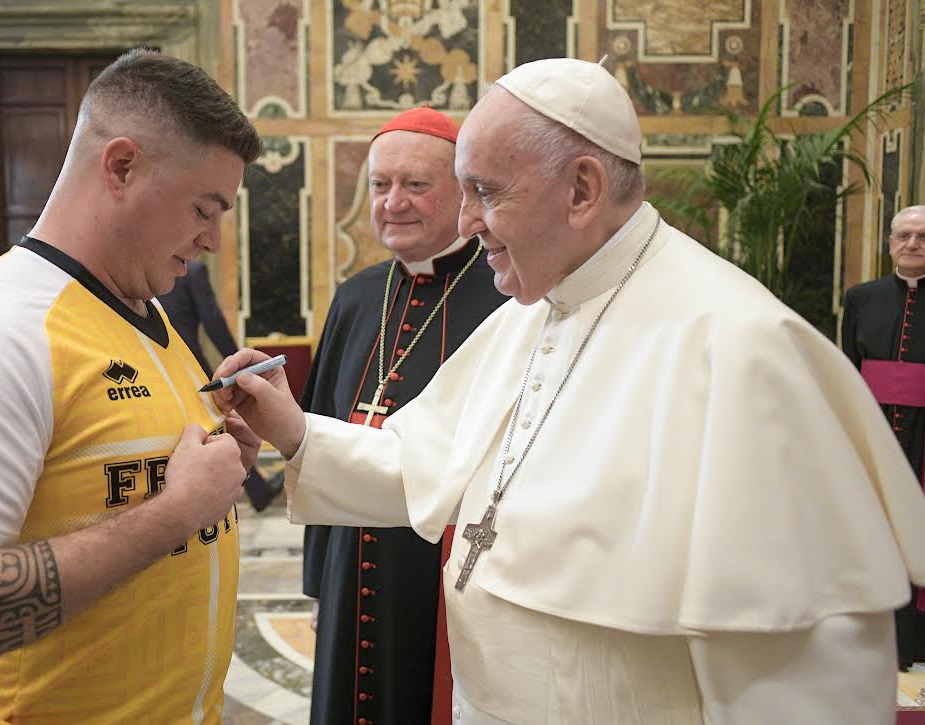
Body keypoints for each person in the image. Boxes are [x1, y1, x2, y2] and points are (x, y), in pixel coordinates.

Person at [215, 57, 925, 723]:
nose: (465, 223)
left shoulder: (740, 346)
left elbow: (803, 669)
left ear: (581, 190)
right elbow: (428, 460)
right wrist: (295, 430)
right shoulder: (533, 311)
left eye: (485, 192)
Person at [0, 48, 263, 723]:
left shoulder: (145, 309)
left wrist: (222, 453)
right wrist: (175, 512)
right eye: (203, 209)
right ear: (121, 167)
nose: (212, 239)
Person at [301, 107, 506, 725]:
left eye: (416, 185)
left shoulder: (505, 295)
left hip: (441, 579)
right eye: (380, 185)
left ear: (464, 191)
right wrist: (318, 584)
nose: (394, 203)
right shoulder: (356, 297)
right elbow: (316, 436)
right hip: (348, 572)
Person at [842, 204, 925, 671]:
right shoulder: (861, 297)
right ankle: (873, 638)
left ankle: (916, 642)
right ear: (889, 242)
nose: (913, 244)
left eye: (923, 237)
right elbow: (849, 368)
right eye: (904, 235)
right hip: (873, 430)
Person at [159, 260, 285, 512]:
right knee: (220, 424)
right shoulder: (192, 270)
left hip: (153, 365)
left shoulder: (145, 269)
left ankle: (256, 489)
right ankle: (255, 490)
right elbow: (212, 320)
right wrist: (239, 361)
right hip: (190, 363)